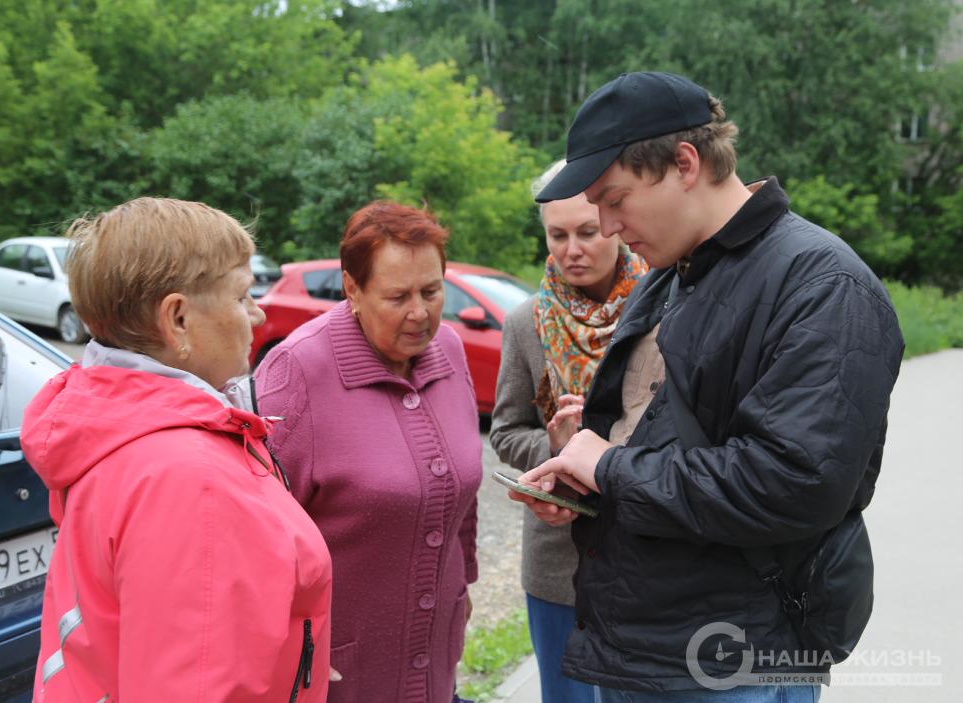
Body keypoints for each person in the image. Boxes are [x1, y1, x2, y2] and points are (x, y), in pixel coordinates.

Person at [513, 72, 904, 701]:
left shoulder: (823, 285)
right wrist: (585, 483)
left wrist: (611, 468)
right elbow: (659, 438)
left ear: (685, 163)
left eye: (615, 198)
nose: (607, 226)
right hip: (635, 650)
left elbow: (795, 483)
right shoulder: (666, 277)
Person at [20, 198, 332, 702]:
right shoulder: (190, 478)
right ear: (178, 319)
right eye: (242, 294)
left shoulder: (123, 422)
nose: (258, 312)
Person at [254, 201, 482, 703]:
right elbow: (251, 536)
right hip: (337, 667)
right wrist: (286, 642)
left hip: (432, 651)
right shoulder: (296, 372)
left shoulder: (450, 349)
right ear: (352, 289)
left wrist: (462, 583)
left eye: (431, 290)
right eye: (397, 296)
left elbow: (462, 489)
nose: (420, 313)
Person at [489, 159, 647, 703]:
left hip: (644, 549)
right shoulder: (526, 322)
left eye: (585, 231)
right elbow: (505, 432)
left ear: (613, 221)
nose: (572, 248)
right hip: (558, 557)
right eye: (558, 235)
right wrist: (555, 446)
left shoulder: (660, 306)